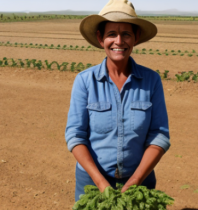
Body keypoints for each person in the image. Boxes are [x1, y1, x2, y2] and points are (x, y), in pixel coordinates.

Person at [64, 0, 171, 202]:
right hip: (92, 182)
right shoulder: (85, 81)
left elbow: (159, 135)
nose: (119, 41)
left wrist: (135, 181)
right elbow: (75, 135)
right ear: (100, 38)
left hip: (140, 181)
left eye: (126, 34)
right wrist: (101, 183)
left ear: (136, 37)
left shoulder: (151, 80)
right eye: (111, 34)